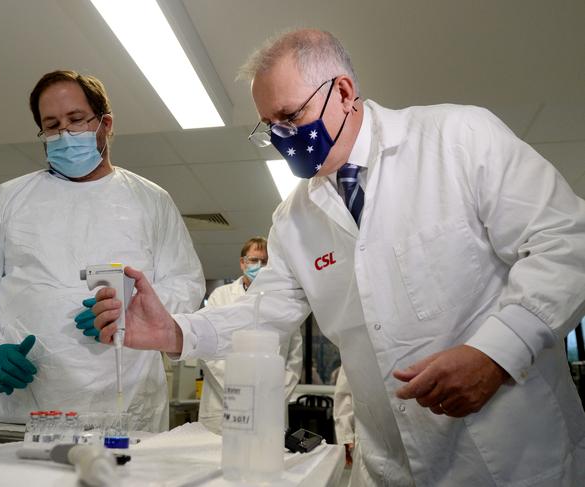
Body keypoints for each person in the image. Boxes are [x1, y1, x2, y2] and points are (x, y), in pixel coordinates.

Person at [89, 29, 585, 486]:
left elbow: (567, 243)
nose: (282, 137)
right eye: (269, 126)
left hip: (514, 455)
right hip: (393, 463)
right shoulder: (294, 218)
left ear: (344, 93)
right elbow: (263, 313)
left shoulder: (458, 140)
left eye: (290, 117)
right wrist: (176, 332)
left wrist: (497, 352)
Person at [0, 70, 205, 431]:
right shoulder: (9, 199)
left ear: (105, 124)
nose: (64, 134)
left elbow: (185, 285)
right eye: (52, 125)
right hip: (15, 408)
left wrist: (131, 311)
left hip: (121, 406)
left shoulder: (151, 201)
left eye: (77, 120)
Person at [198, 236, 302, 434]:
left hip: (269, 407)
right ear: (242, 262)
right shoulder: (221, 297)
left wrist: (274, 396)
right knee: (217, 460)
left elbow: (294, 360)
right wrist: (241, 393)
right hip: (223, 403)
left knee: (265, 460)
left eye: (265, 262)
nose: (259, 266)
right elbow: (209, 351)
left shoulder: (282, 302)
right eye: (254, 260)